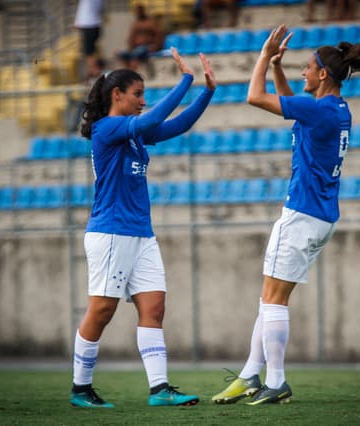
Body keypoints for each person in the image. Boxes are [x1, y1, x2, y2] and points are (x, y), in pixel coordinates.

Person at [212, 24, 360, 405]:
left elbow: (253, 97)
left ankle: (277, 381)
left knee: (273, 300)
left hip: (301, 213)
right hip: (322, 217)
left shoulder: (319, 109)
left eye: (307, 67)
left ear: (323, 74)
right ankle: (249, 376)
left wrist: (262, 54)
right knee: (270, 297)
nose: (303, 72)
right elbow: (293, 110)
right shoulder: (334, 109)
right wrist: (278, 67)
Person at [70, 47, 217, 408]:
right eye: (137, 94)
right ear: (116, 95)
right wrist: (185, 80)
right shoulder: (107, 129)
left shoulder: (132, 132)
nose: (142, 100)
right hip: (111, 233)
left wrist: (207, 92)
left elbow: (174, 126)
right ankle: (80, 388)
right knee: (101, 311)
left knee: (154, 307)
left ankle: (159, 389)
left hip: (140, 234)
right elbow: (151, 121)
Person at [117, 4, 164, 71]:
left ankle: (133, 72)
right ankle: (126, 71)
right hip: (136, 48)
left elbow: (159, 35)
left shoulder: (151, 23)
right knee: (122, 53)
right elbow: (131, 38)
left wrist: (155, 47)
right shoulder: (135, 24)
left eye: (140, 11)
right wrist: (130, 48)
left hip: (147, 47)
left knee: (137, 52)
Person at [74, 0, 104, 80]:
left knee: (89, 51)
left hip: (89, 24)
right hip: (94, 24)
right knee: (91, 50)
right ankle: (92, 71)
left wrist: (78, 22)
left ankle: (94, 71)